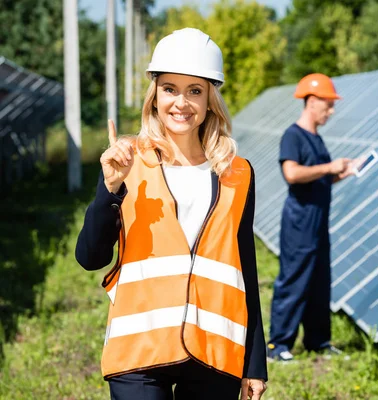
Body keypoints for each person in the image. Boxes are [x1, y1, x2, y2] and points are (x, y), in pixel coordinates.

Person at [75, 28, 267, 400]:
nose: (182, 102)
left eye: (195, 90)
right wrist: (109, 190)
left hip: (215, 348)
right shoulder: (128, 160)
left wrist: (254, 362)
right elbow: (90, 257)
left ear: (211, 98)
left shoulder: (238, 172)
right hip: (139, 349)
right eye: (170, 89)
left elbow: (246, 267)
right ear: (155, 96)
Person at [267, 73, 354, 361]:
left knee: (319, 282)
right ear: (313, 101)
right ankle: (278, 345)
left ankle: (318, 341)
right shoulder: (293, 135)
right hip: (299, 223)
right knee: (294, 281)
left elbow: (318, 179)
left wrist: (340, 174)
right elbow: (291, 173)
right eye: (328, 105)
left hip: (318, 222)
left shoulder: (316, 138)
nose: (331, 111)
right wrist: (329, 167)